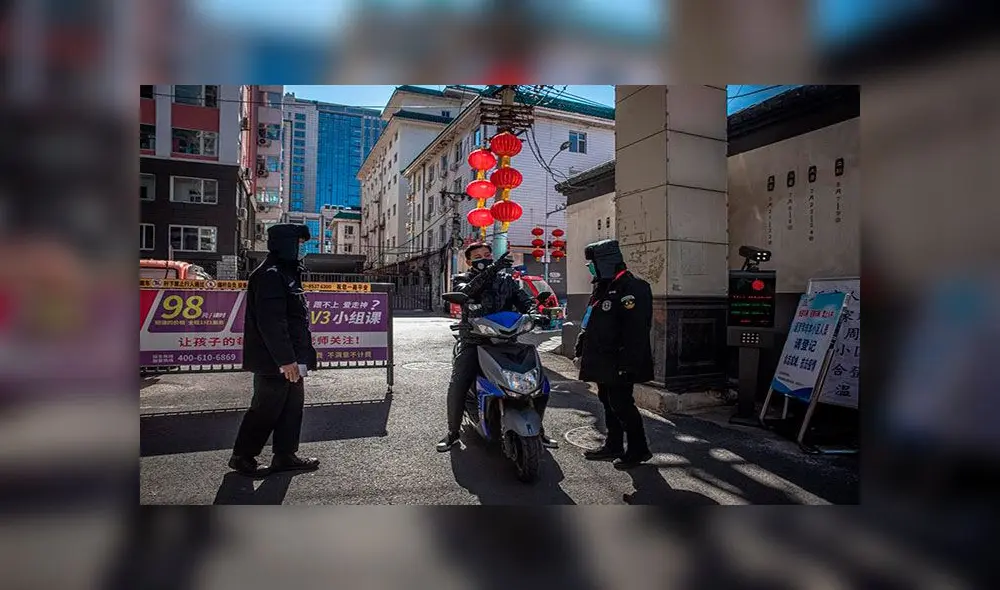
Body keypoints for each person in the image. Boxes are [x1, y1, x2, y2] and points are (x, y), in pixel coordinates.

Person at [437, 242, 559, 452]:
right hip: (474, 341)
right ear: (468, 262)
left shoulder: (507, 280)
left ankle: (538, 429)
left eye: (487, 255)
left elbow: (524, 301)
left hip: (507, 338)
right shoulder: (462, 279)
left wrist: (534, 313)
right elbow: (467, 293)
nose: (484, 259)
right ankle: (453, 432)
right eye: (478, 256)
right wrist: (493, 269)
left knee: (537, 381)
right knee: (459, 381)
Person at [229, 223, 320, 476]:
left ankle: (285, 455)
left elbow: (294, 318)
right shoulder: (269, 274)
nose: (302, 248)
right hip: (275, 361)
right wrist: (286, 360)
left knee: (292, 408)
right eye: (299, 243)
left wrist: (299, 358)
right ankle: (243, 457)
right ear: (284, 243)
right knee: (265, 409)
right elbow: (272, 322)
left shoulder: (288, 271)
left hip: (292, 358)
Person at [573, 239, 654, 469]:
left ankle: (639, 449)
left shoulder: (634, 288)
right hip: (602, 360)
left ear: (605, 262)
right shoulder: (602, 286)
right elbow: (590, 321)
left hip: (619, 361)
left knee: (622, 404)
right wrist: (581, 347)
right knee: (607, 402)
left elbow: (637, 331)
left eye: (593, 263)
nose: (590, 267)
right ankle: (614, 445)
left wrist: (628, 364)